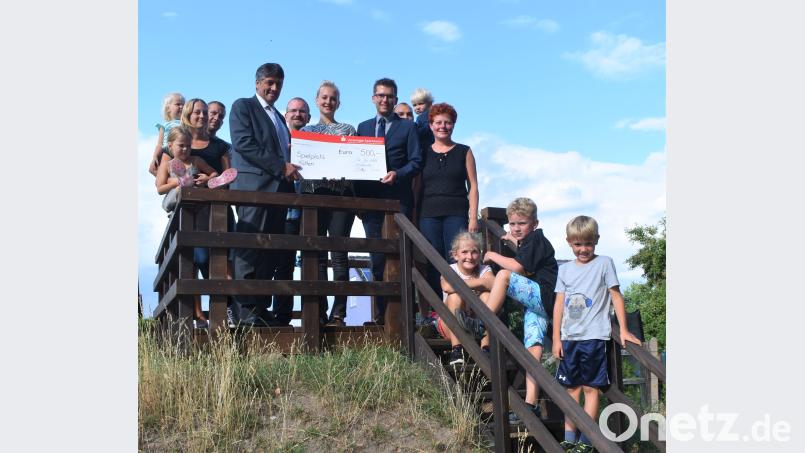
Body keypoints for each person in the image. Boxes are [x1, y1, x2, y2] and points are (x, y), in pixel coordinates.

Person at [455, 197, 557, 423]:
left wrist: (492, 255)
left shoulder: (537, 240)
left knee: (503, 275)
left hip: (544, 296)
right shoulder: (528, 241)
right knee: (533, 349)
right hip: (538, 305)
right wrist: (512, 238)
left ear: (535, 224)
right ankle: (531, 405)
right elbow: (524, 249)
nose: (516, 228)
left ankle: (482, 322)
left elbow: (518, 266)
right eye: (512, 224)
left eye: (522, 223)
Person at [552, 216, 642, 452]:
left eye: (588, 244)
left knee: (591, 389)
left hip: (594, 337)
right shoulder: (565, 269)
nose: (583, 249)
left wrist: (623, 329)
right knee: (571, 389)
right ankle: (569, 438)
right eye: (578, 244)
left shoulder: (604, 263)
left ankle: (586, 440)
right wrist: (555, 339)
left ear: (597, 241)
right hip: (569, 338)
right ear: (569, 243)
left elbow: (616, 296)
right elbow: (559, 305)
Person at [228, 62, 301, 327]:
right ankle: (245, 310)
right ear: (257, 83)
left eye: (278, 83)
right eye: (269, 82)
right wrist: (281, 166)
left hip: (280, 193)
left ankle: (259, 308)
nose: (274, 88)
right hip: (254, 190)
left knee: (269, 253)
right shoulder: (243, 106)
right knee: (250, 248)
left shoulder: (280, 118)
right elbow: (243, 144)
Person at [355, 78, 422, 324]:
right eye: (381, 95)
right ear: (373, 98)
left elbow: (416, 162)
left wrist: (398, 174)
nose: (385, 100)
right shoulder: (361, 127)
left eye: (390, 96)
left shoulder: (407, 128)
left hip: (397, 200)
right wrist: (357, 202)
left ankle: (404, 316)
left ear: (395, 99)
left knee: (399, 258)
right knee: (377, 259)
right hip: (370, 203)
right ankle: (380, 315)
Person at [155, 126, 233, 327]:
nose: (185, 150)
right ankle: (197, 315)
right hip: (179, 210)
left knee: (203, 259)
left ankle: (210, 184)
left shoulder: (196, 161)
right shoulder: (167, 164)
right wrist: (177, 183)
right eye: (181, 146)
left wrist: (209, 177)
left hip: (200, 212)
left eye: (188, 146)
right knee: (190, 266)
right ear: (170, 145)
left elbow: (213, 169)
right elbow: (160, 188)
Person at [301, 81, 359, 326]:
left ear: (338, 102)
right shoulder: (305, 130)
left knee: (339, 254)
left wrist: (342, 170)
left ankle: (339, 312)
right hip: (313, 195)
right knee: (317, 254)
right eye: (324, 97)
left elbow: (354, 160)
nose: (328, 101)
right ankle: (319, 310)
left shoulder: (348, 129)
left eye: (332, 98)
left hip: (340, 197)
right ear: (316, 100)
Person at [418, 103, 480, 323]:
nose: (443, 126)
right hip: (428, 214)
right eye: (438, 122)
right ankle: (435, 313)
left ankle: (458, 308)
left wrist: (473, 216)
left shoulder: (464, 151)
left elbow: (473, 186)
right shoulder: (423, 152)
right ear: (431, 125)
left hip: (457, 211)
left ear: (453, 124)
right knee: (432, 261)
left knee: (455, 260)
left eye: (447, 122)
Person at [437, 232, 494, 365]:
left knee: (487, 295)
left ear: (479, 254)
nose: (469, 256)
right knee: (455, 296)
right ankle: (457, 349)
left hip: (475, 325)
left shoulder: (484, 269)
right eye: (464, 252)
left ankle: (486, 348)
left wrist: (460, 285)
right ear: (455, 254)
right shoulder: (450, 269)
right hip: (449, 326)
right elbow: (447, 287)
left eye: (474, 252)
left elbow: (492, 283)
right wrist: (481, 283)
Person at [149, 92, 185, 176]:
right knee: (163, 170)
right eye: (178, 104)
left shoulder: (186, 123)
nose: (182, 107)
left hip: (182, 150)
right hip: (167, 152)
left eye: (183, 105)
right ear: (168, 109)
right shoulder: (164, 126)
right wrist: (154, 157)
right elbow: (159, 144)